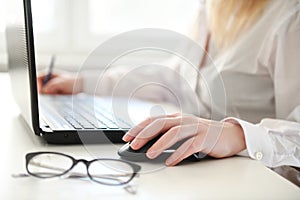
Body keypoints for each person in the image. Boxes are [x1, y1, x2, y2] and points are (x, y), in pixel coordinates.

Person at [37, 0, 300, 168]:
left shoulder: (290, 16)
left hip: (258, 179)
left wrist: (239, 136)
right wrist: (84, 82)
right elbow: (175, 78)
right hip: (204, 169)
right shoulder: (214, 7)